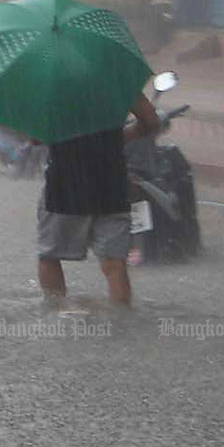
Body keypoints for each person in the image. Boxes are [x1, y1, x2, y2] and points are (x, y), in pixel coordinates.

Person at [36, 90, 162, 308]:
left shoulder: (50, 85)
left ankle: (55, 317)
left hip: (65, 183)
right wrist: (114, 138)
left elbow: (34, 138)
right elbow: (150, 122)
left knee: (50, 255)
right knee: (115, 263)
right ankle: (121, 323)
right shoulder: (117, 81)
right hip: (111, 182)